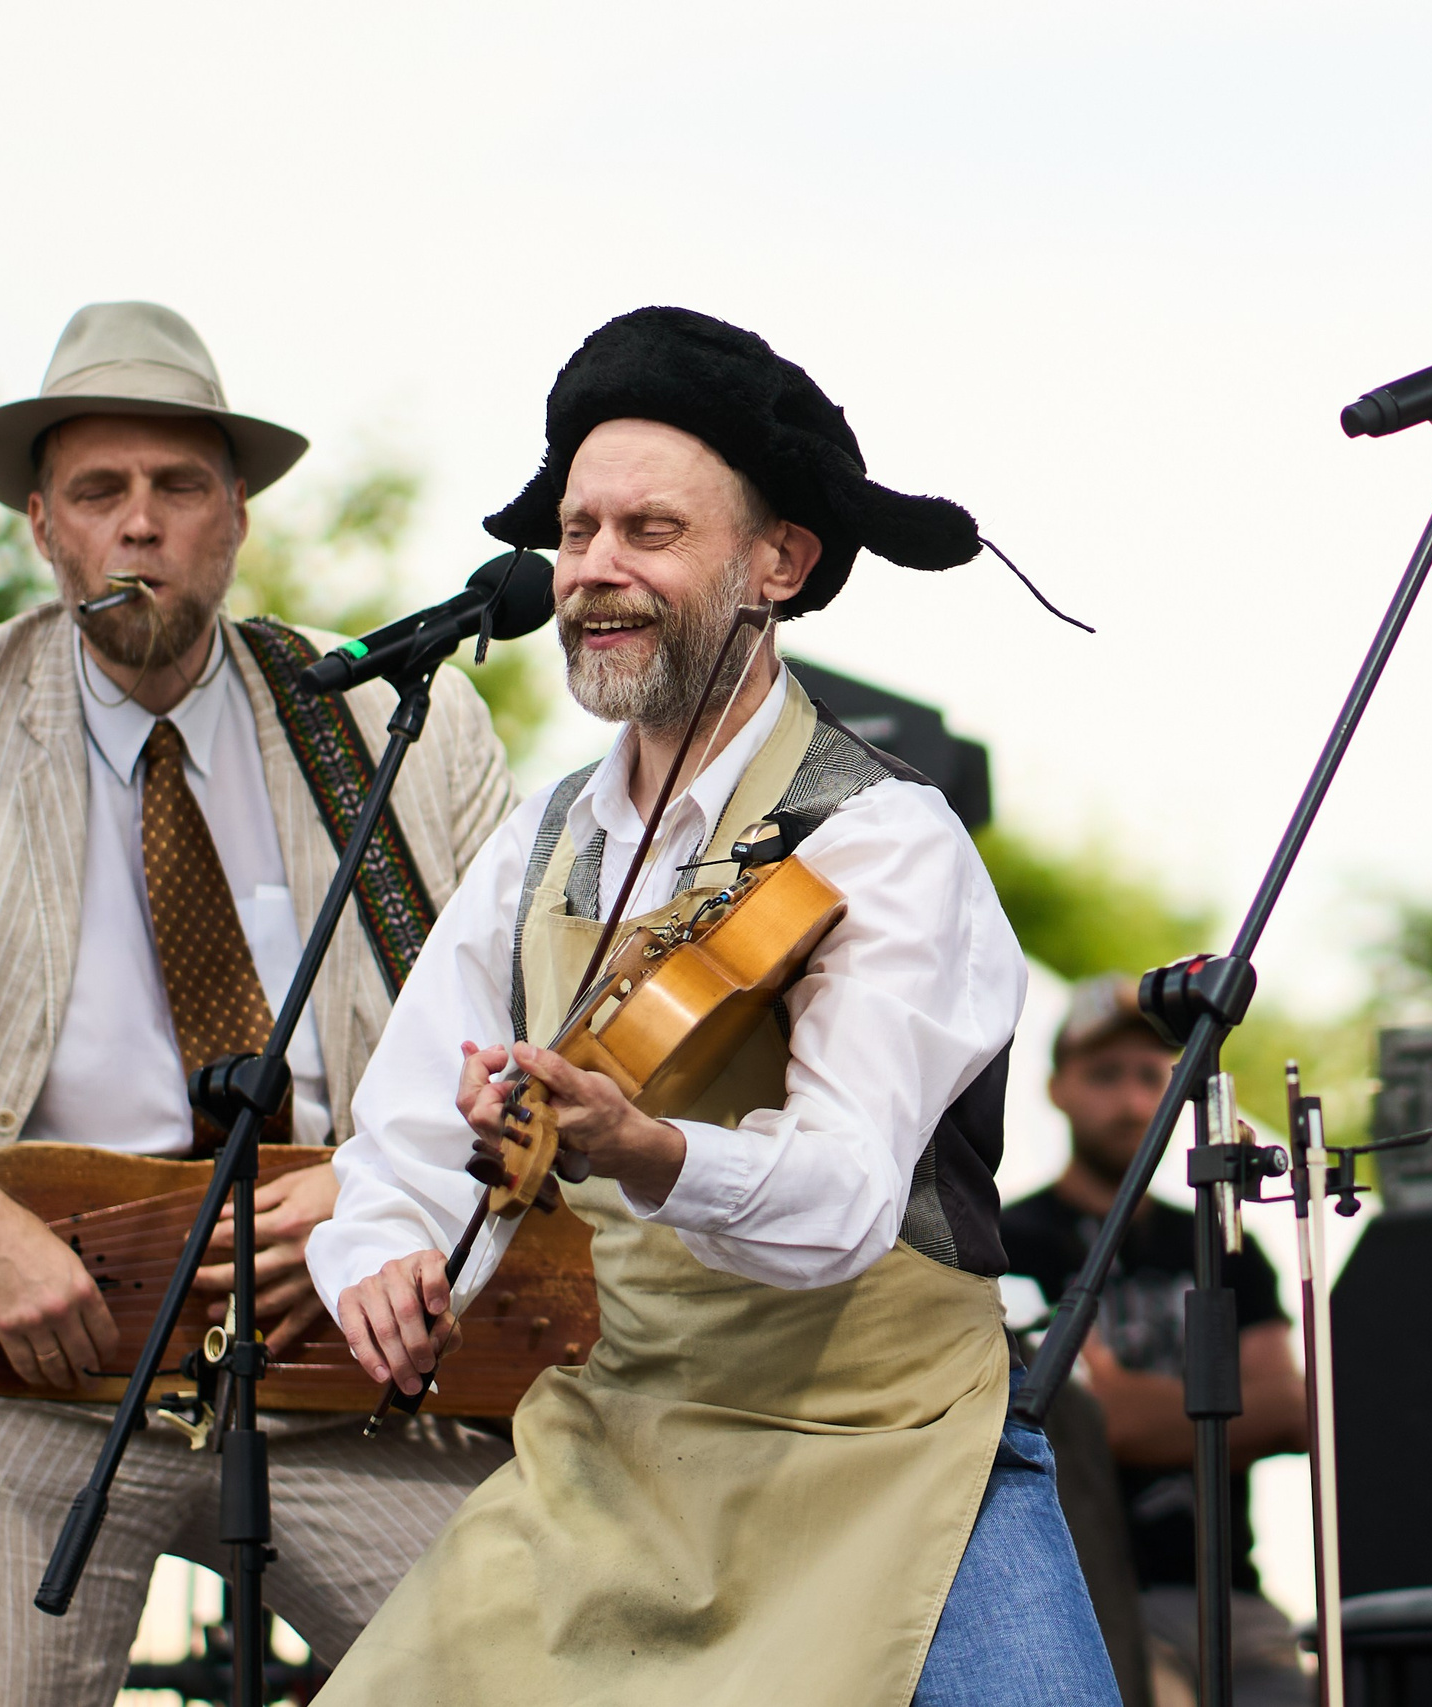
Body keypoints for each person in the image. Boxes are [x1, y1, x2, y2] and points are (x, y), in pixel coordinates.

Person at [305, 306, 1120, 1706]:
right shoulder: (540, 840)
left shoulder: (885, 838)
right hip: (622, 1448)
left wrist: (650, 1149)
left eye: (649, 531)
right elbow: (402, 1136)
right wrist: (386, 1251)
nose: (594, 570)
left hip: (886, 1442)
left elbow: (847, 1191)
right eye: (576, 532)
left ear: (777, 563)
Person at [0, 302, 521, 1704]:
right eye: (101, 491)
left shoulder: (395, 722)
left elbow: (521, 1050)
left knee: (552, 1660)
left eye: (179, 487)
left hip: (342, 1360)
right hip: (13, 1369)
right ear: (44, 525)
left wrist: (382, 1182)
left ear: (234, 518)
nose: (141, 524)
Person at [999, 975, 1313, 1707]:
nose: (1133, 1100)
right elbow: (1085, 1421)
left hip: (1228, 1593)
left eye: (1151, 1075)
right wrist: (1220, 1411)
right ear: (1057, 1088)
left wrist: (1141, 1413)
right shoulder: (1009, 1239)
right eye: (1105, 1075)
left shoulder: (1221, 1235)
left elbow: (1295, 1411)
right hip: (1082, 1593)